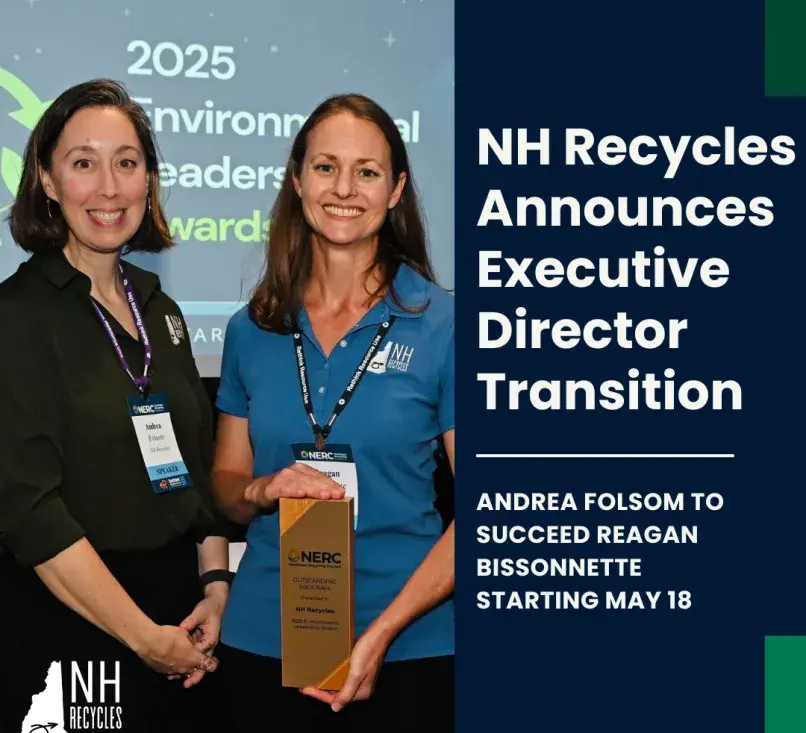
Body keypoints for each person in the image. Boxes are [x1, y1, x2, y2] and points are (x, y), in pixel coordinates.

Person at [211, 93, 455, 731]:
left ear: (396, 189)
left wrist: (378, 637)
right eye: (325, 167)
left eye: (367, 171)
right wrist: (264, 487)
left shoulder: (447, 325)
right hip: (265, 640)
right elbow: (228, 489)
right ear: (297, 180)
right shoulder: (250, 328)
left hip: (409, 646)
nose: (344, 188)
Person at [0, 80, 232, 733]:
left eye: (127, 163)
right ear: (46, 180)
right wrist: (142, 638)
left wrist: (215, 588)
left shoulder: (163, 312)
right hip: (73, 625)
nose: (108, 187)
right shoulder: (18, 317)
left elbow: (196, 470)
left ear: (149, 180)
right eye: (83, 162)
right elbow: (29, 510)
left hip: (182, 623)